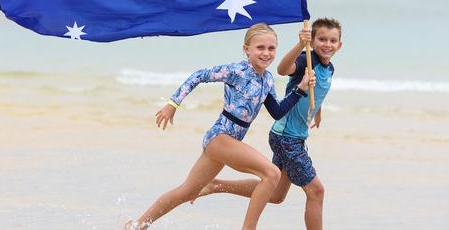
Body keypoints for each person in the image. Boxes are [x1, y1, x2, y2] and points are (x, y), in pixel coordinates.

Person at [125, 23, 315, 230]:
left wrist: (301, 89)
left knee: (187, 192)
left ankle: (136, 225)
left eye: (271, 48)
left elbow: (277, 112)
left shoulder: (267, 79)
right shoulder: (236, 71)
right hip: (220, 136)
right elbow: (198, 75)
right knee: (272, 174)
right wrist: (173, 104)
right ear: (246, 49)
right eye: (260, 47)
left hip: (230, 142)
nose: (266, 53)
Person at [193, 18, 343, 230]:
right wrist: (301, 44)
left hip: (292, 136)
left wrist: (317, 112)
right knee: (316, 191)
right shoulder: (305, 60)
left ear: (340, 45)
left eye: (332, 40)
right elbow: (283, 69)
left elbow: (316, 92)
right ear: (312, 41)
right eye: (322, 39)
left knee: (276, 195)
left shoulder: (329, 68)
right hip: (287, 138)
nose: (327, 44)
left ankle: (216, 184)